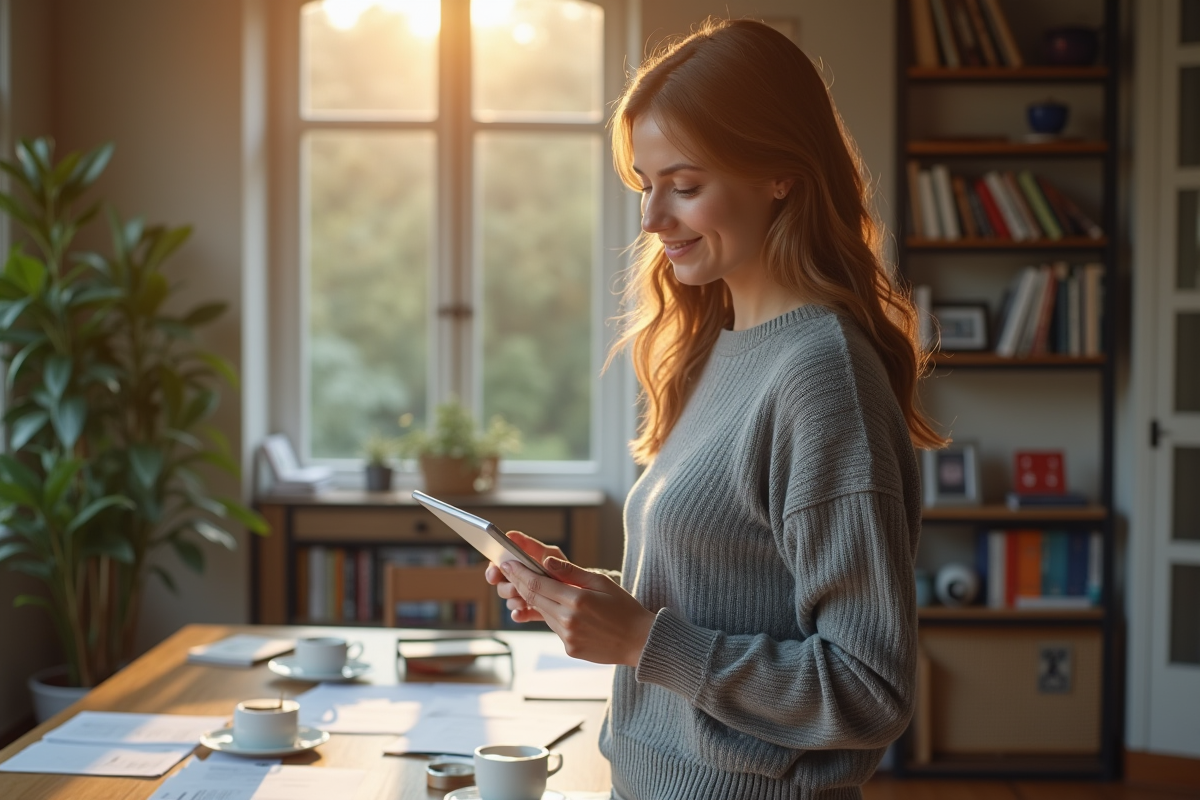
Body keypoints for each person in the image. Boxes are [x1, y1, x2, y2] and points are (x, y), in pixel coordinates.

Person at [485, 17, 946, 800]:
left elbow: (869, 690)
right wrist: (590, 600)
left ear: (780, 174)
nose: (651, 218)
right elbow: (729, 592)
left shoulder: (822, 378)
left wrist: (642, 639)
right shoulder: (720, 346)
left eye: (686, 186)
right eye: (646, 184)